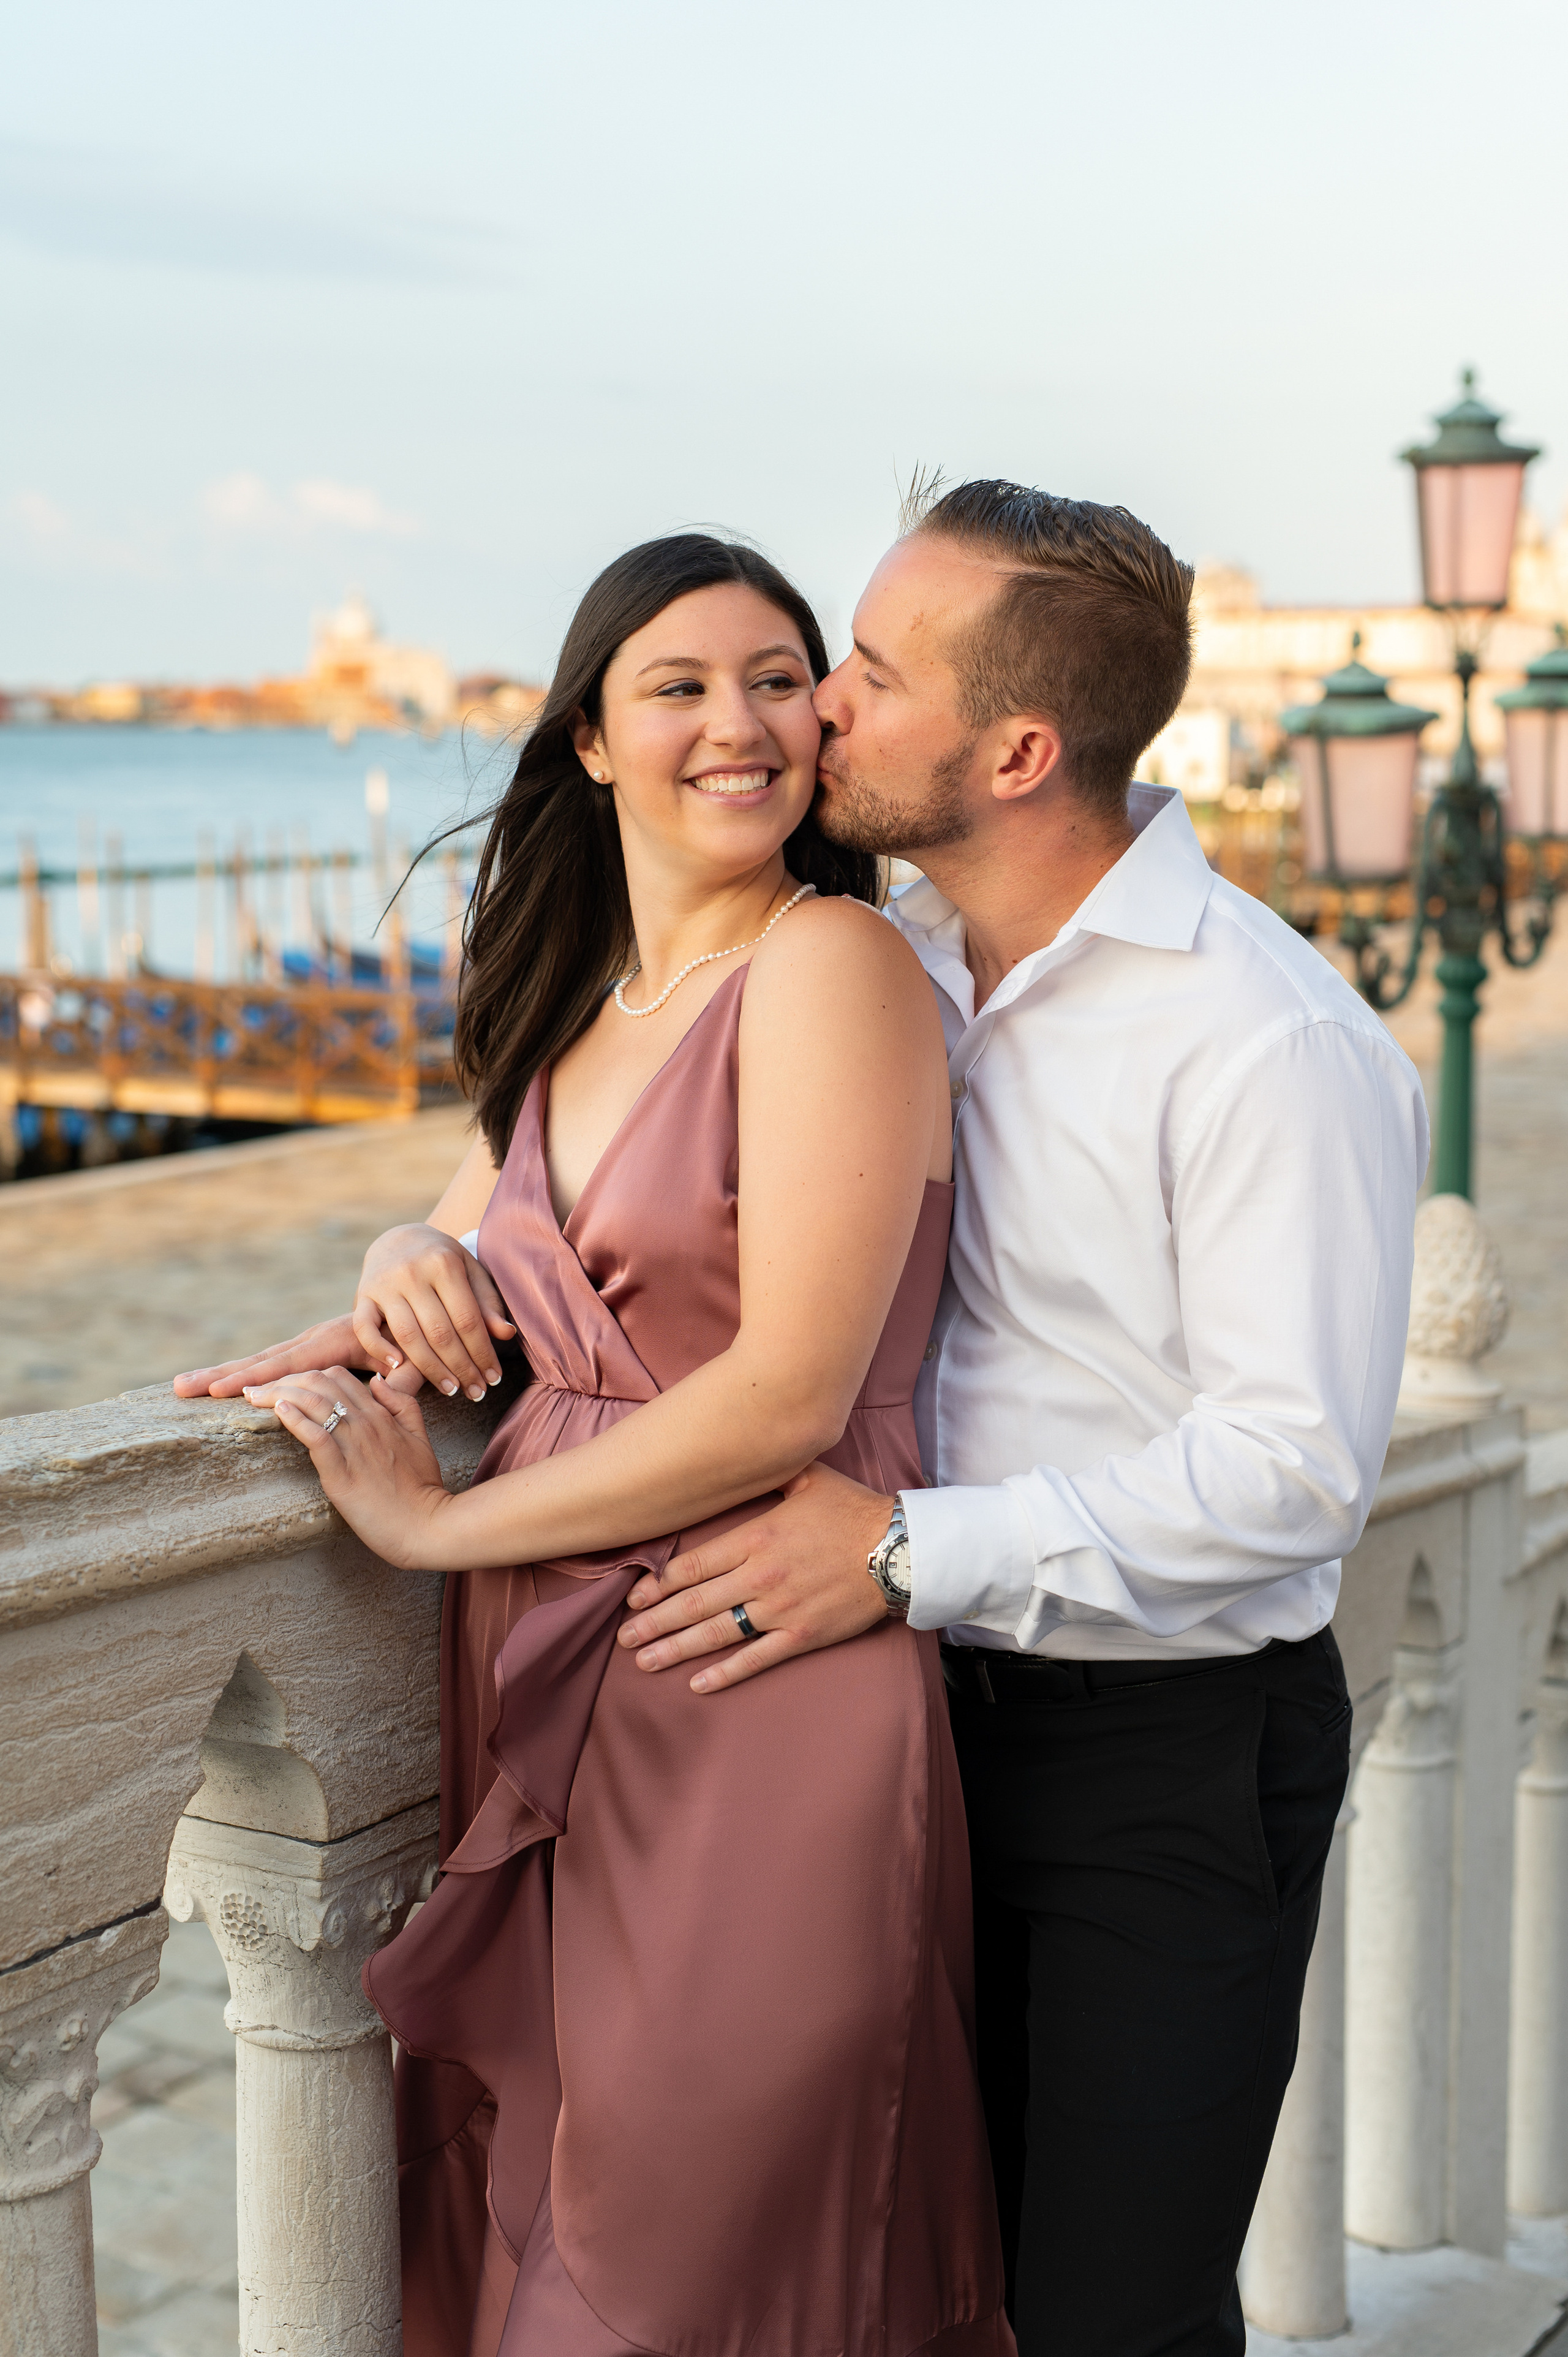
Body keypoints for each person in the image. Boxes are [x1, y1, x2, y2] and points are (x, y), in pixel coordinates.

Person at [601, 484, 1430, 2355]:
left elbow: (1293, 1472)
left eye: (870, 675)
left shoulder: (1267, 1040)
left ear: (1019, 753)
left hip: (1160, 1760)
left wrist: (907, 1551)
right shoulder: (875, 962)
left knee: (1109, 2318)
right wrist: (421, 1252)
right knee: (909, 2292)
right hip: (888, 1730)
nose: (818, 705)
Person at [176, 534, 1014, 2357]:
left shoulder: (832, 964)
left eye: (779, 680)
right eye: (680, 687)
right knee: (541, 2222)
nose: (742, 724)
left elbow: (788, 1394)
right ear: (589, 741)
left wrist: (427, 1533)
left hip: (753, 1671)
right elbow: (474, 1239)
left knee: (681, 2274)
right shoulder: (586, 1000)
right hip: (557, 1685)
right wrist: (395, 1261)